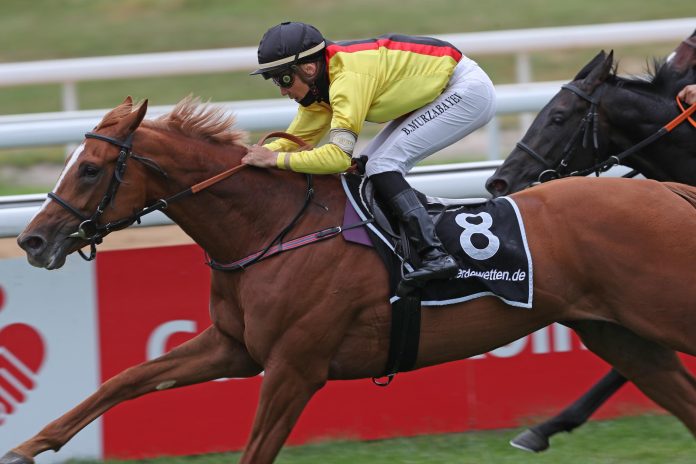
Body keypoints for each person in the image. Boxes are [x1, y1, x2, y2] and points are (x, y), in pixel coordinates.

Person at [242, 21, 496, 286]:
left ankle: (435, 255)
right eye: (275, 80)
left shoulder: (346, 79)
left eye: (284, 78)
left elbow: (337, 157)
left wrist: (275, 159)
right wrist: (249, 156)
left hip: (465, 90)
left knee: (382, 165)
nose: (282, 90)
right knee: (364, 167)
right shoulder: (320, 86)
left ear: (309, 68)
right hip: (440, 88)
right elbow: (295, 142)